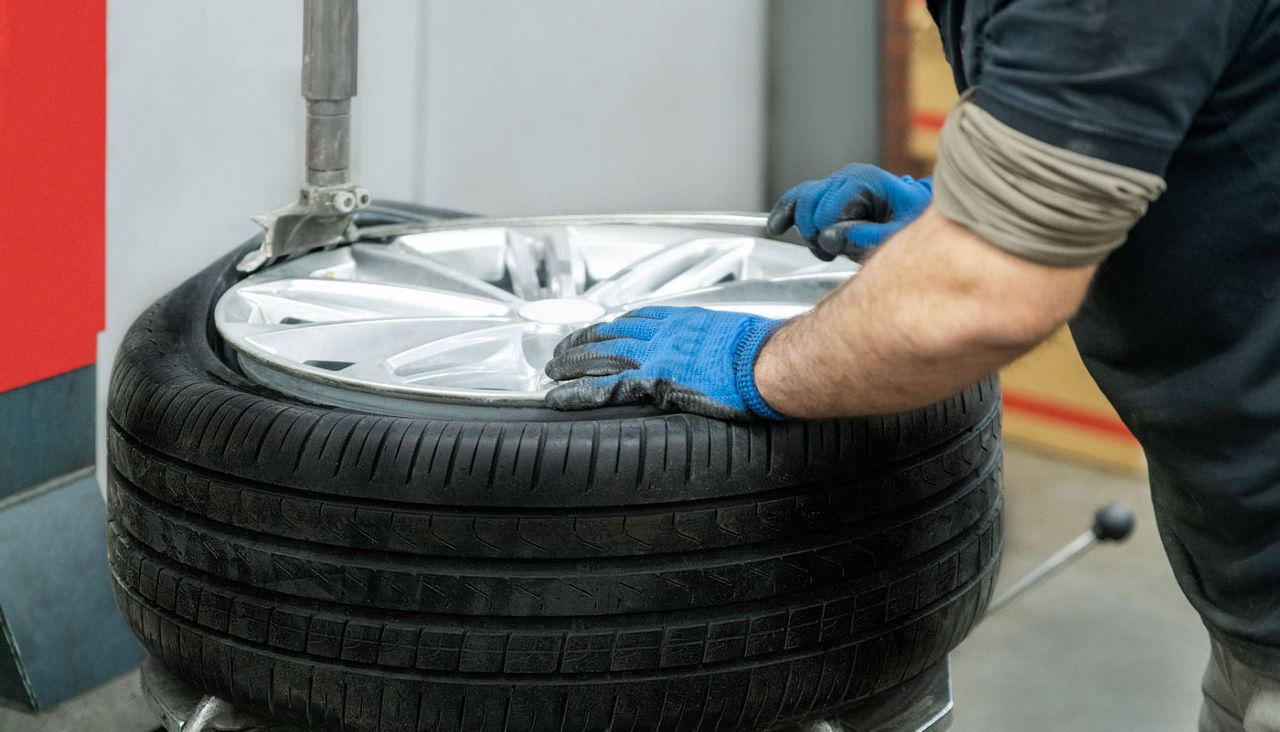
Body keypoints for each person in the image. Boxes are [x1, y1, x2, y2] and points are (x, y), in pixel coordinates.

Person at [543, 1, 1280, 729]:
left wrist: (755, 362)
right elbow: (1163, 124)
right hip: (1247, 606)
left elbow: (987, 298)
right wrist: (976, 207)